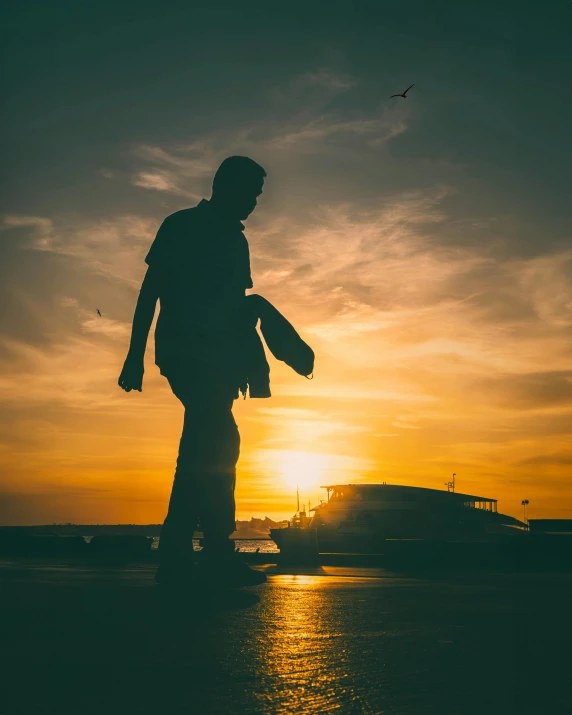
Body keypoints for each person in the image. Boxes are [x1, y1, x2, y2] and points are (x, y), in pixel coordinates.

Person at [118, 156, 313, 589]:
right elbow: (151, 291)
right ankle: (211, 553)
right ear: (227, 186)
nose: (255, 204)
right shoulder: (182, 225)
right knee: (217, 444)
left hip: (220, 357)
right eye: (251, 194)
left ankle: (179, 553)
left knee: (205, 448)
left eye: (259, 197)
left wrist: (243, 358)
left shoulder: (235, 240)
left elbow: (232, 307)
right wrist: (134, 355)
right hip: (186, 352)